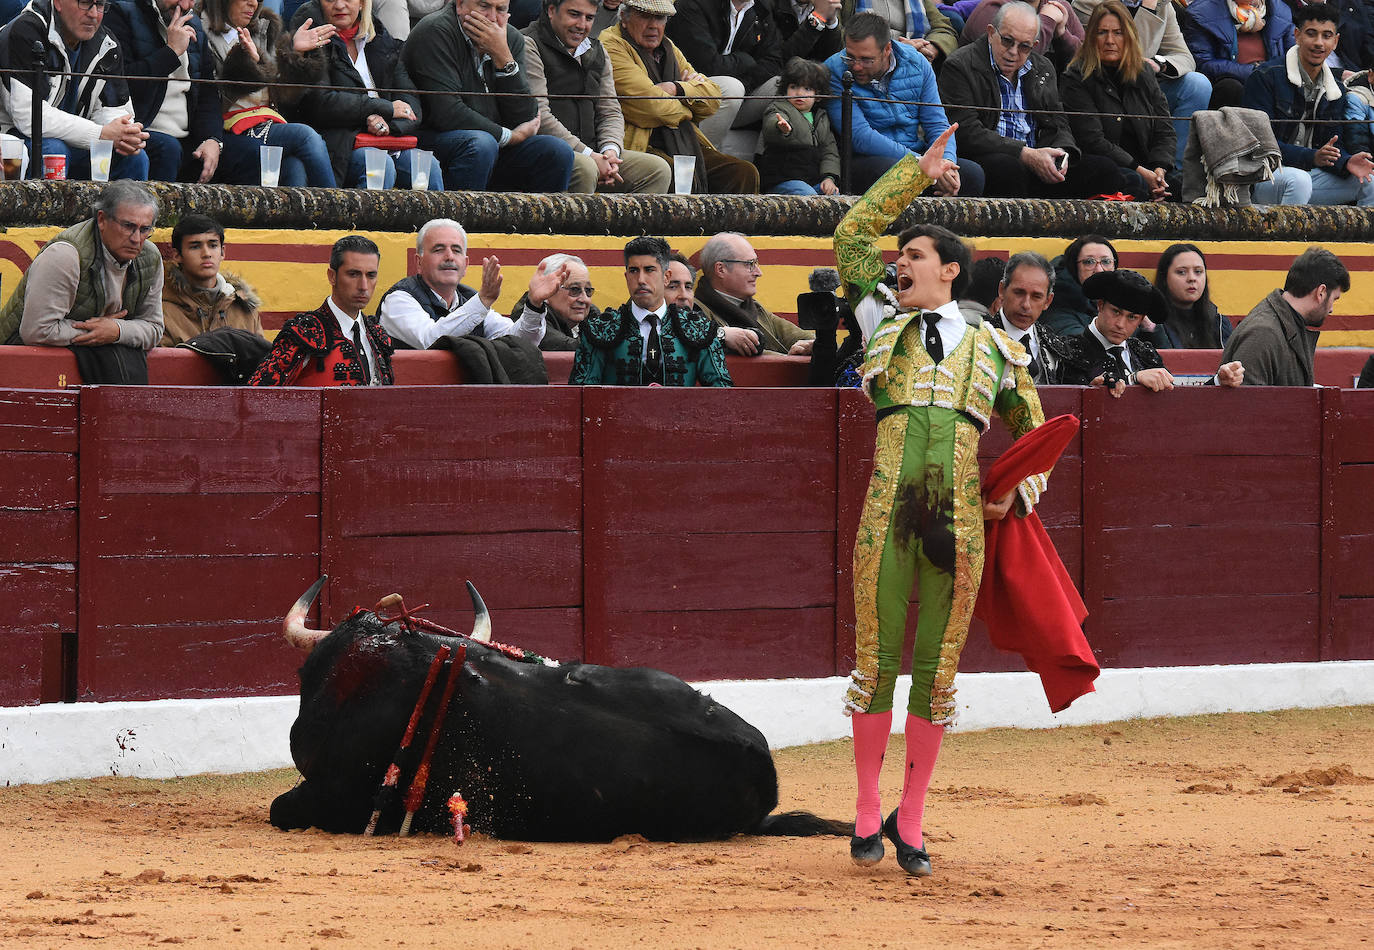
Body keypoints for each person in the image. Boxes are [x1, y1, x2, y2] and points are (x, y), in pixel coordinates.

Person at [835, 126, 1050, 878]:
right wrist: (913, 176)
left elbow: (1037, 432)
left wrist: (1021, 489)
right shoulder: (880, 318)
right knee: (875, 661)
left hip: (956, 524)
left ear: (949, 272)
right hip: (887, 517)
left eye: (914, 256)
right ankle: (868, 809)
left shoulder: (995, 347)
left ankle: (914, 819)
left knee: (937, 670)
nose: (898, 264)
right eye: (898, 259)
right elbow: (851, 234)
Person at [938, 1, 1123, 198]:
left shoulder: (1043, 67)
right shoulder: (960, 65)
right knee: (1007, 168)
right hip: (994, 157)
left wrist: (1062, 151)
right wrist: (1024, 153)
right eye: (1007, 41)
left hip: (1038, 158)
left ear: (1034, 45)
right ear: (992, 33)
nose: (1013, 52)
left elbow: (1059, 122)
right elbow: (966, 132)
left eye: (1024, 47)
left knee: (1105, 170)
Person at [0, 181, 163, 384]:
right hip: (21, 366)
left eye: (145, 229)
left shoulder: (150, 256)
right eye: (128, 226)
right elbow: (37, 330)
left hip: (87, 363)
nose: (137, 238)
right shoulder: (66, 255)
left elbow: (154, 328)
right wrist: (100, 331)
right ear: (102, 220)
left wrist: (116, 330)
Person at [403, 0, 575, 192]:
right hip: (437, 142)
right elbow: (446, 112)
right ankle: (460, 221)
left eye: (501, 9)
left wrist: (504, 58)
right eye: (484, 6)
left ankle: (535, 223)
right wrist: (507, 136)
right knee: (481, 144)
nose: (492, 19)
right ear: (460, 5)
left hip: (491, 144)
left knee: (556, 151)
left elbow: (525, 116)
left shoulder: (511, 38)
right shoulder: (434, 31)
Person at [600, 0, 760, 193]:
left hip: (681, 141)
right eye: (644, 16)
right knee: (676, 175)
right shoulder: (611, 43)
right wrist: (689, 108)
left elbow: (713, 99)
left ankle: (728, 225)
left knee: (743, 172)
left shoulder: (667, 47)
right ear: (624, 18)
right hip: (640, 144)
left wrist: (677, 89)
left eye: (659, 18)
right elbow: (649, 105)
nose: (653, 25)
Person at [285, 0, 443, 190]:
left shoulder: (380, 38)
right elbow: (322, 103)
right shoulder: (312, 38)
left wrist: (386, 126)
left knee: (429, 167)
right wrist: (384, 109)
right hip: (342, 144)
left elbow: (410, 103)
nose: (339, 5)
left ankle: (432, 221)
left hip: (388, 139)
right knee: (380, 166)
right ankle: (361, 221)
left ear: (362, 3)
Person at [824, 13, 984, 195]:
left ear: (887, 49)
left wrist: (945, 163)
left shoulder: (917, 63)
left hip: (916, 155)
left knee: (972, 174)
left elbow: (937, 123)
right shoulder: (835, 70)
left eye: (866, 60)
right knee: (894, 173)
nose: (857, 66)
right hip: (865, 158)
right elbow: (860, 136)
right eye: (850, 57)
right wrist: (922, 163)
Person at [522, 0, 672, 193]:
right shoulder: (529, 43)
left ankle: (625, 225)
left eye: (589, 18)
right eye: (574, 14)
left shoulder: (597, 50)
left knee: (657, 170)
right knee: (586, 168)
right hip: (550, 152)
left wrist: (610, 152)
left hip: (594, 152)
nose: (582, 25)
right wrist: (589, 155)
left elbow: (610, 111)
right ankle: (575, 224)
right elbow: (539, 115)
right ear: (551, 11)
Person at [0, 0, 150, 181]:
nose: (94, 14)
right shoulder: (25, 31)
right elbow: (29, 116)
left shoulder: (106, 44)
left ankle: (121, 210)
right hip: (17, 137)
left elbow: (115, 109)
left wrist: (124, 133)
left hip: (77, 138)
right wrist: (101, 134)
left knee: (134, 156)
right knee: (54, 153)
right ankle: (48, 210)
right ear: (59, 3)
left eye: (100, 5)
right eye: (85, 3)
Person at [1242, 3, 1374, 207]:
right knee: (1299, 181)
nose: (1319, 43)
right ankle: (1284, 238)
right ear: (1297, 35)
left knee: (1369, 180)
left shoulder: (1336, 89)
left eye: (1327, 36)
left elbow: (1332, 145)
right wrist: (1312, 157)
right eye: (1311, 34)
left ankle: (1361, 239)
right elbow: (1260, 146)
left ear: (1336, 41)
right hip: (1263, 178)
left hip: (1308, 175)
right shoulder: (1265, 77)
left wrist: (1347, 162)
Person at [202, 0, 337, 186]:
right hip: (227, 128)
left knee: (294, 166)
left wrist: (294, 53)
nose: (253, 3)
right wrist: (246, 64)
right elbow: (207, 97)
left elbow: (282, 95)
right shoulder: (201, 29)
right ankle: (337, 210)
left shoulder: (264, 27)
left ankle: (300, 216)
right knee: (306, 136)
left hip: (266, 120)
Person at [568, 235, 732, 385]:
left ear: (666, 277)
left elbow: (721, 393)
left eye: (649, 270)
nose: (640, 280)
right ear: (626, 277)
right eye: (633, 271)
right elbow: (581, 393)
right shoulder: (600, 329)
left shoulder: (699, 329)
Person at [1059, 0, 1177, 202]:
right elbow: (1092, 140)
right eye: (1102, 32)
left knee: (1178, 188)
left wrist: (1159, 170)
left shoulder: (1145, 73)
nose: (1110, 40)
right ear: (1092, 37)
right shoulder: (1076, 76)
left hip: (1145, 167)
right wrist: (1141, 171)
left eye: (1118, 33)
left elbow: (1165, 130)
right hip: (1104, 166)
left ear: (1129, 37)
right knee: (1134, 182)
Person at [1071, 0, 1209, 171]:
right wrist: (1147, 11)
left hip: (1145, 84)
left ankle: (1174, 171)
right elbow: (1124, 54)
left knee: (1197, 85)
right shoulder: (1090, 3)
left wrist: (1160, 64)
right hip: (1102, 85)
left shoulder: (1163, 5)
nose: (1109, 38)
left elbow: (1185, 58)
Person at [379, 218, 557, 349]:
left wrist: (534, 306)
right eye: (438, 249)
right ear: (419, 263)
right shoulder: (399, 299)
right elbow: (430, 340)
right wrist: (483, 301)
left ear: (465, 265)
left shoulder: (470, 299)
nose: (449, 257)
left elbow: (520, 342)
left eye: (456, 250)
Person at [249, 234, 394, 385]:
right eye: (353, 274)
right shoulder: (304, 332)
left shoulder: (376, 334)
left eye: (371, 275)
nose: (364, 286)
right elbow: (258, 395)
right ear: (332, 276)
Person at [105, 0, 222, 183]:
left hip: (188, 137)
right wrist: (171, 52)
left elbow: (207, 93)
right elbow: (121, 85)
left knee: (249, 153)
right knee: (168, 148)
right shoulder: (121, 12)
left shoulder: (194, 25)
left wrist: (212, 139)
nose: (184, 4)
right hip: (143, 131)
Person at [1220, 245, 1349, 385]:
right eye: (1334, 299)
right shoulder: (1263, 334)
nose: (1331, 310)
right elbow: (1245, 403)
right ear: (1321, 292)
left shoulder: (1282, 325)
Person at [694, 231, 815, 355]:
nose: (758, 272)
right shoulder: (696, 312)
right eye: (749, 264)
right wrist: (790, 358)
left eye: (756, 263)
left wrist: (814, 346)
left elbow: (799, 336)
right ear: (721, 269)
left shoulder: (754, 308)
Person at [160, 212, 266, 345]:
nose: (206, 254)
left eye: (213, 245)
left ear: (222, 252)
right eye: (195, 246)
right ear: (177, 255)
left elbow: (262, 361)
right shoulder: (161, 309)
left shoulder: (244, 307)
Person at [1180, 0, 1293, 108]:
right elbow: (1203, 63)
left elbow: (1293, 58)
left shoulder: (1281, 12)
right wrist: (1255, 72)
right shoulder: (1202, 12)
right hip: (1231, 86)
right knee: (1230, 87)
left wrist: (1271, 75)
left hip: (1273, 85)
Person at [985, 250, 1075, 384]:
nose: (1026, 305)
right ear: (1002, 290)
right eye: (1019, 293)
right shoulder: (979, 338)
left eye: (1036, 297)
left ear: (1047, 301)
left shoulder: (1057, 347)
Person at [757, 57, 840, 195]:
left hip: (811, 181)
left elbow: (829, 152)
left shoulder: (821, 118)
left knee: (834, 197)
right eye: (794, 87)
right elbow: (772, 123)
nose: (799, 93)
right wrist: (782, 129)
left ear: (818, 95)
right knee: (808, 195)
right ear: (785, 89)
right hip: (781, 180)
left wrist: (829, 178)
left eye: (807, 89)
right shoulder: (779, 107)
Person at [1150, 243, 1233, 349]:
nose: (1192, 278)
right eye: (1181, 272)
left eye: (1198, 271)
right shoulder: (1152, 324)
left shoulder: (1219, 323)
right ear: (1164, 278)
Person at [507, 252, 596, 350]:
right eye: (574, 289)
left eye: (588, 290)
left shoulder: (593, 318)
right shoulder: (530, 325)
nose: (584, 299)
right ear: (548, 290)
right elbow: (579, 348)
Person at [960, 0, 1082, 72]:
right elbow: (1013, 64)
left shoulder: (1059, 7)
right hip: (989, 101)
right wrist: (1047, 21)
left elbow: (1087, 63)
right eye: (1007, 40)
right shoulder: (991, 9)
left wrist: (1062, 34)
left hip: (1049, 105)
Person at [840, 0, 959, 69]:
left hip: (917, 62)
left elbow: (944, 29)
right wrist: (900, 50)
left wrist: (930, 48)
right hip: (865, 63)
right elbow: (834, 32)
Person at [1041, 233, 1115, 336]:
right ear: (1074, 268)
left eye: (1106, 261)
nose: (1099, 270)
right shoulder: (1057, 302)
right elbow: (1081, 345)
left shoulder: (1120, 297)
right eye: (1089, 262)